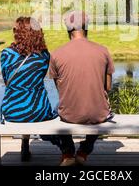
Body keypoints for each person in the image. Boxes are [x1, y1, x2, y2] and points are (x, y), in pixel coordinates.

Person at [48, 11, 115, 166]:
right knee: (102, 106)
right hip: (98, 115)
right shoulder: (103, 51)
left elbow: (60, 89)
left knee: (56, 108)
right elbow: (108, 87)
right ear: (87, 28)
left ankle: (67, 152)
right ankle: (84, 151)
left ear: (68, 30)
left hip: (69, 115)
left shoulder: (56, 54)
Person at [0, 17, 57, 162]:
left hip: (13, 111)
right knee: (42, 103)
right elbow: (39, 79)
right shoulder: (44, 55)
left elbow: (7, 81)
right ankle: (63, 147)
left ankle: (25, 142)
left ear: (18, 33)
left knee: (23, 101)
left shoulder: (6, 54)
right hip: (39, 111)